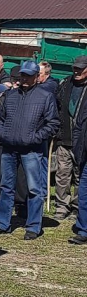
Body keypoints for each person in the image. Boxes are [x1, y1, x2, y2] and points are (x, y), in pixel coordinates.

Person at [0, 60, 59, 240]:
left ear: (37, 77)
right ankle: (3, 224)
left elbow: (53, 123)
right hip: (9, 147)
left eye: (29, 75)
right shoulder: (10, 95)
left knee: (35, 188)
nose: (25, 79)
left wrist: (35, 138)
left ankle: (33, 227)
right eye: (23, 75)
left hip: (32, 150)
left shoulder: (45, 96)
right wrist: (2, 134)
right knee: (5, 186)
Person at [54, 56, 87, 220]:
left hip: (83, 141)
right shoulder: (66, 84)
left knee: (80, 176)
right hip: (65, 138)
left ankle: (77, 207)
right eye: (75, 67)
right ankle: (61, 206)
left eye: (80, 68)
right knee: (62, 174)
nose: (77, 71)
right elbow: (57, 106)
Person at [69, 83, 87, 245]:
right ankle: (83, 229)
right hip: (85, 153)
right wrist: (77, 145)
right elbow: (78, 122)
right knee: (83, 193)